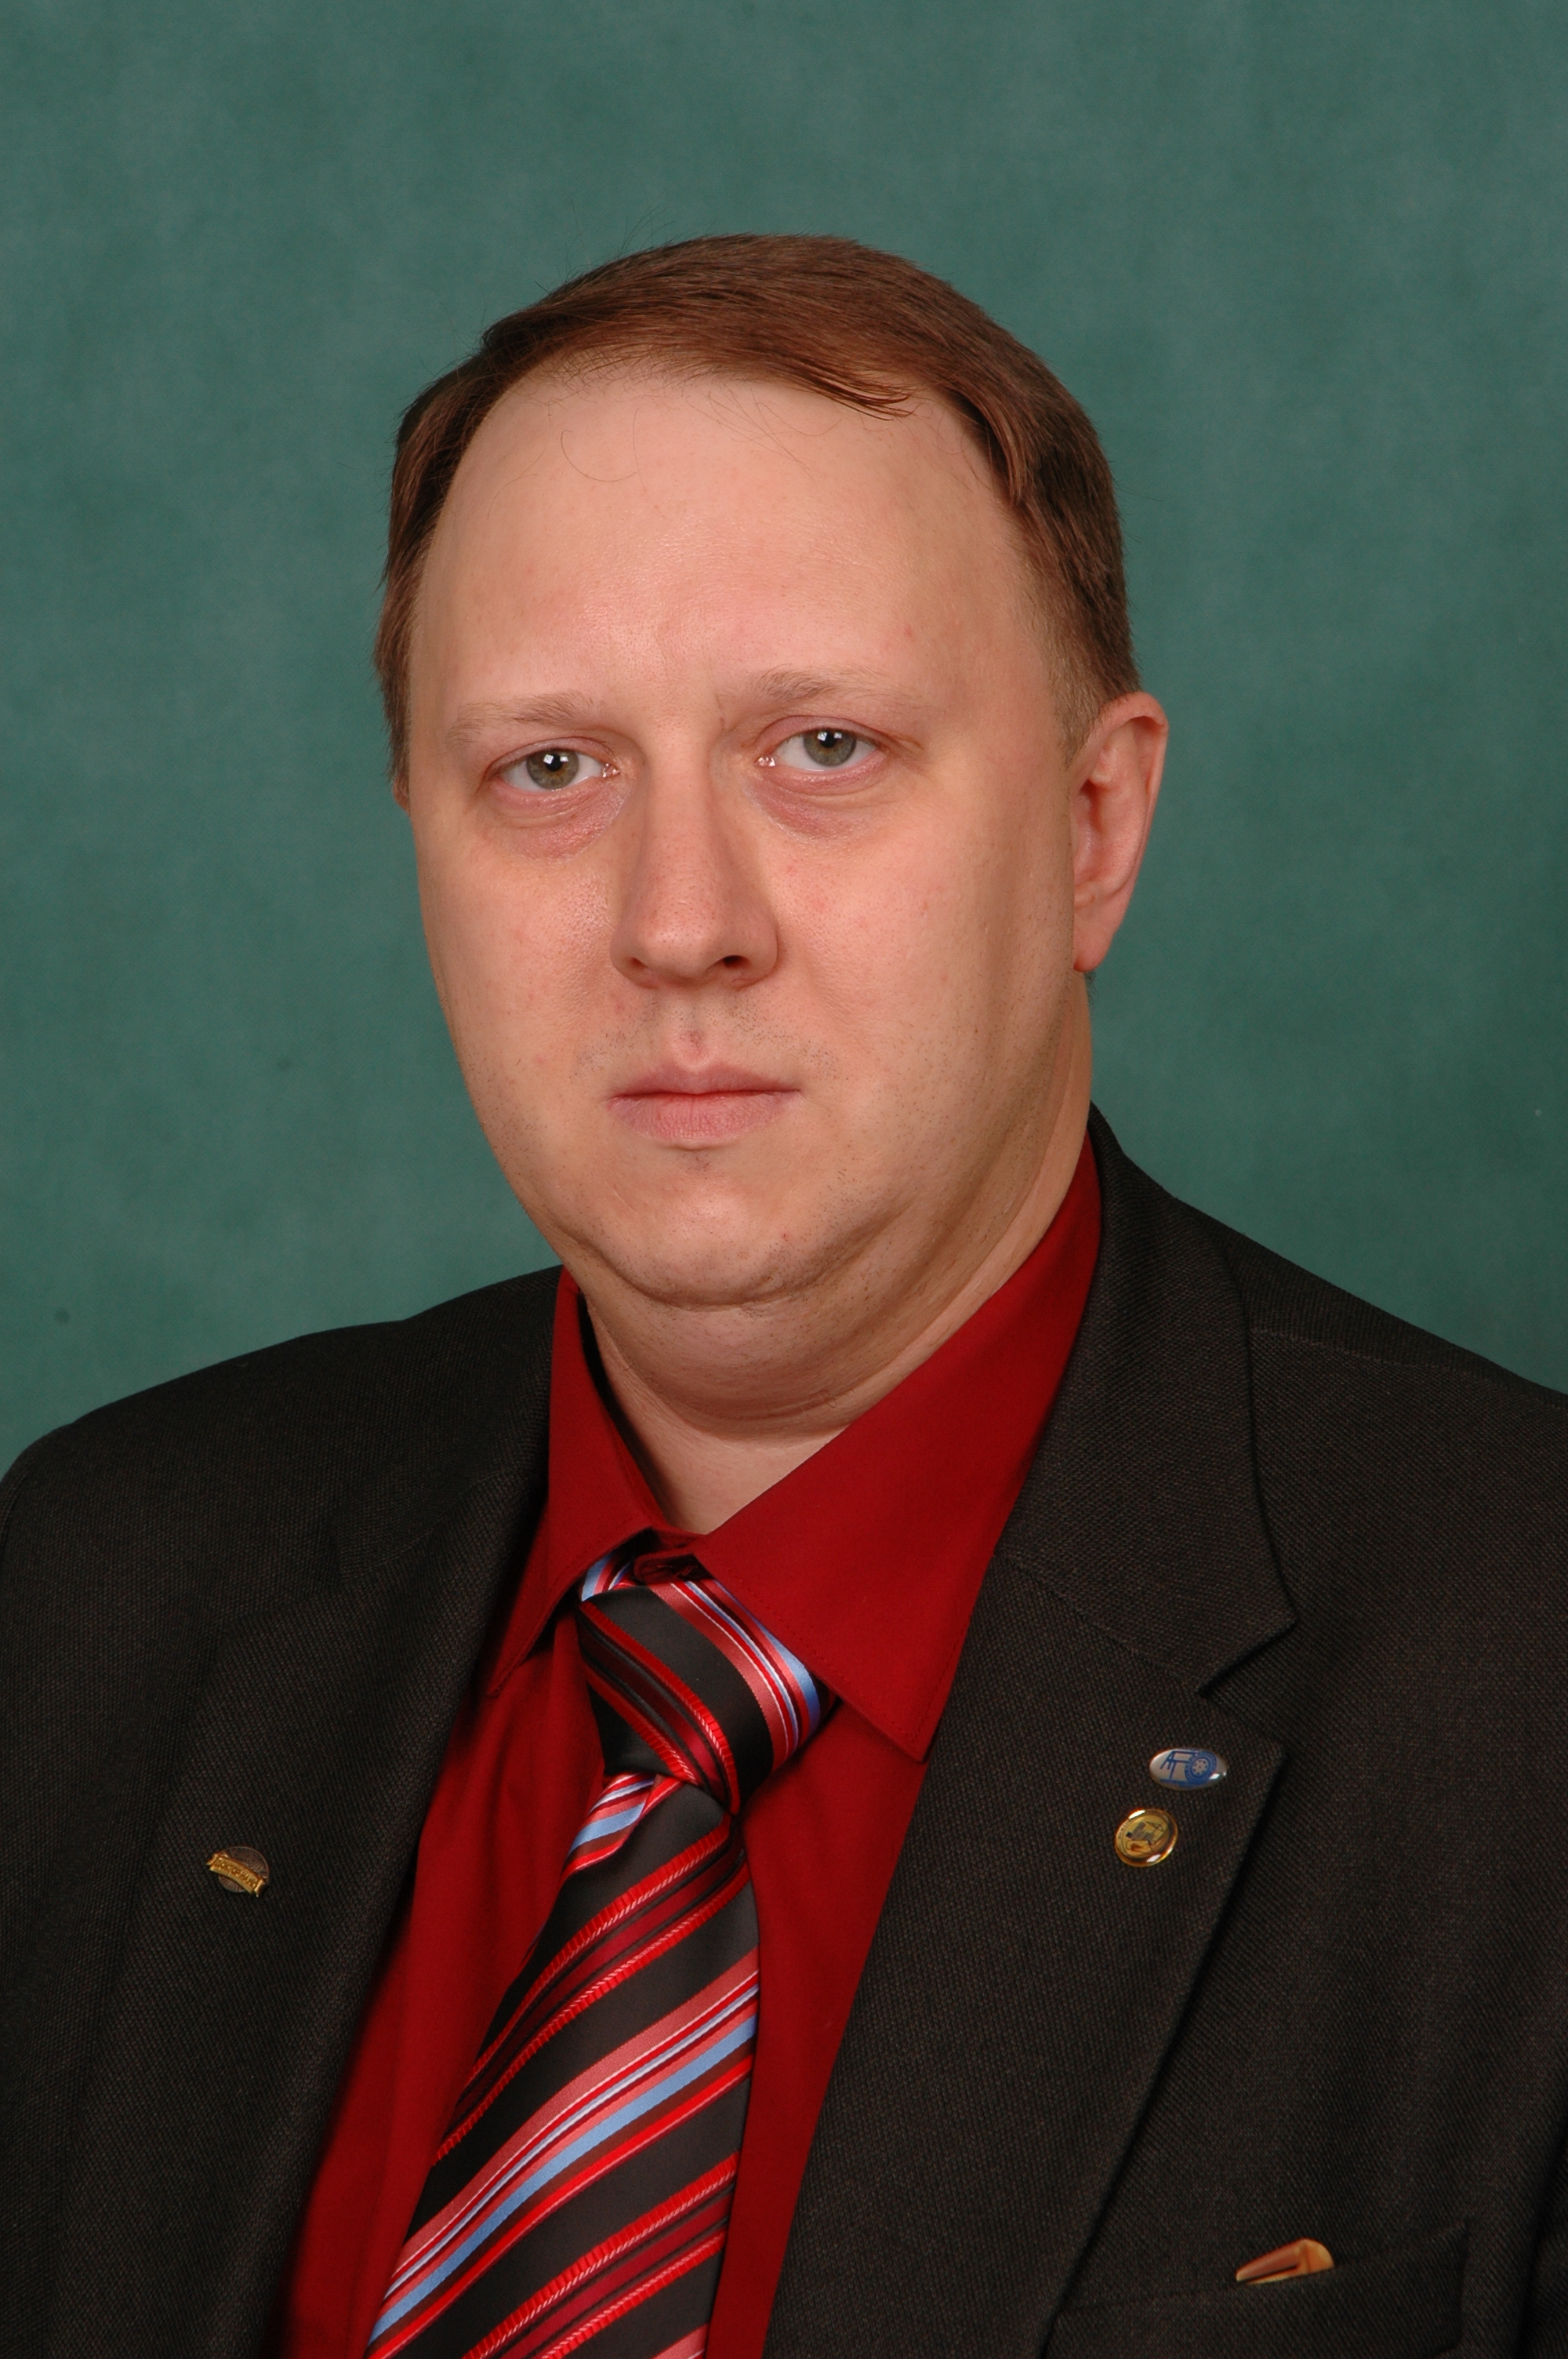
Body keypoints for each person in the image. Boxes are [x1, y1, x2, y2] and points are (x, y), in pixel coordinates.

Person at [1, 233, 1565, 2359]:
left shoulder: (1526, 1676)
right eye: (550, 768)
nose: (680, 921)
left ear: (1094, 828)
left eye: (823, 745)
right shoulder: (97, 1588)